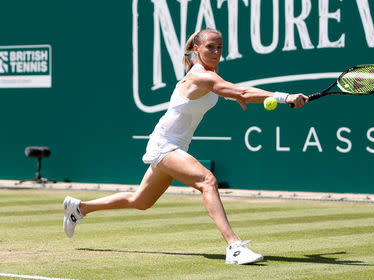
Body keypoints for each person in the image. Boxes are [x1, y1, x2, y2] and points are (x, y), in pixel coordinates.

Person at [63, 28, 308, 265]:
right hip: (165, 144)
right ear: (196, 48)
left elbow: (237, 92)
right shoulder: (200, 75)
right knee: (208, 181)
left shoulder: (210, 74)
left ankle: (79, 208)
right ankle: (234, 247)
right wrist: (283, 97)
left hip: (174, 144)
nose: (215, 52)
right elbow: (242, 91)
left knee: (141, 201)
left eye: (219, 47)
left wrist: (241, 96)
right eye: (210, 47)